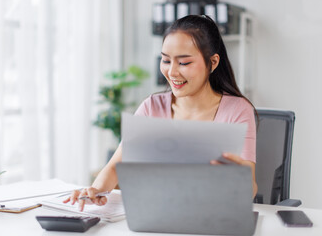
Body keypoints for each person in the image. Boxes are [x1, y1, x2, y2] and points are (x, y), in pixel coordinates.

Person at [64, 15, 258, 211]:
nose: (172, 72)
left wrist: (240, 180)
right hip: (158, 216)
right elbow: (116, 167)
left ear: (213, 62)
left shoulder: (238, 111)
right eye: (165, 60)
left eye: (184, 63)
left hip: (213, 218)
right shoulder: (151, 107)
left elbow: (249, 189)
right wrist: (95, 190)